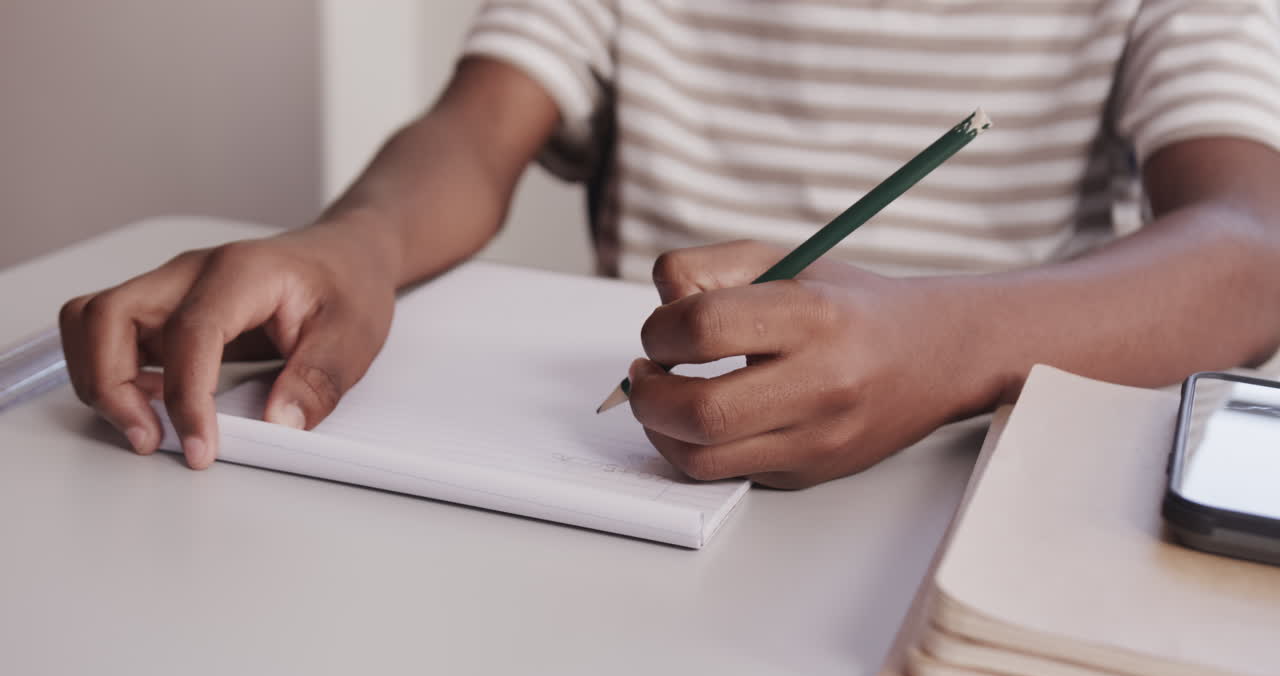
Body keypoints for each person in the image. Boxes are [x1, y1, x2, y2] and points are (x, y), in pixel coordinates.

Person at [59, 1, 1280, 489]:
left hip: (962, 498)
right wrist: (356, 241)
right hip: (640, 492)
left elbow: (1250, 238)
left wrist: (951, 338)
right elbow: (474, 134)